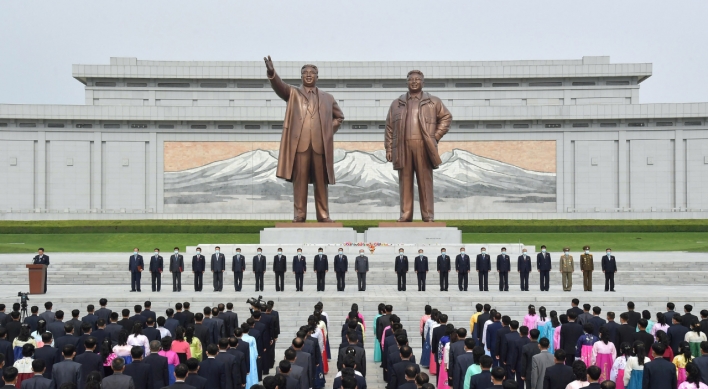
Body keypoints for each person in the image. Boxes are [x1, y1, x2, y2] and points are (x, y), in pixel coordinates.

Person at [384, 69, 451, 222]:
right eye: (411, 79)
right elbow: (389, 127)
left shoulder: (433, 101)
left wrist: (436, 136)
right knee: (405, 181)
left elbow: (446, 118)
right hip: (402, 147)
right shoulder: (397, 103)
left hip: (424, 146)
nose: (414, 82)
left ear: (423, 82)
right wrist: (389, 148)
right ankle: (405, 215)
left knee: (425, 181)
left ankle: (428, 216)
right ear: (406, 82)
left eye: (417, 79)